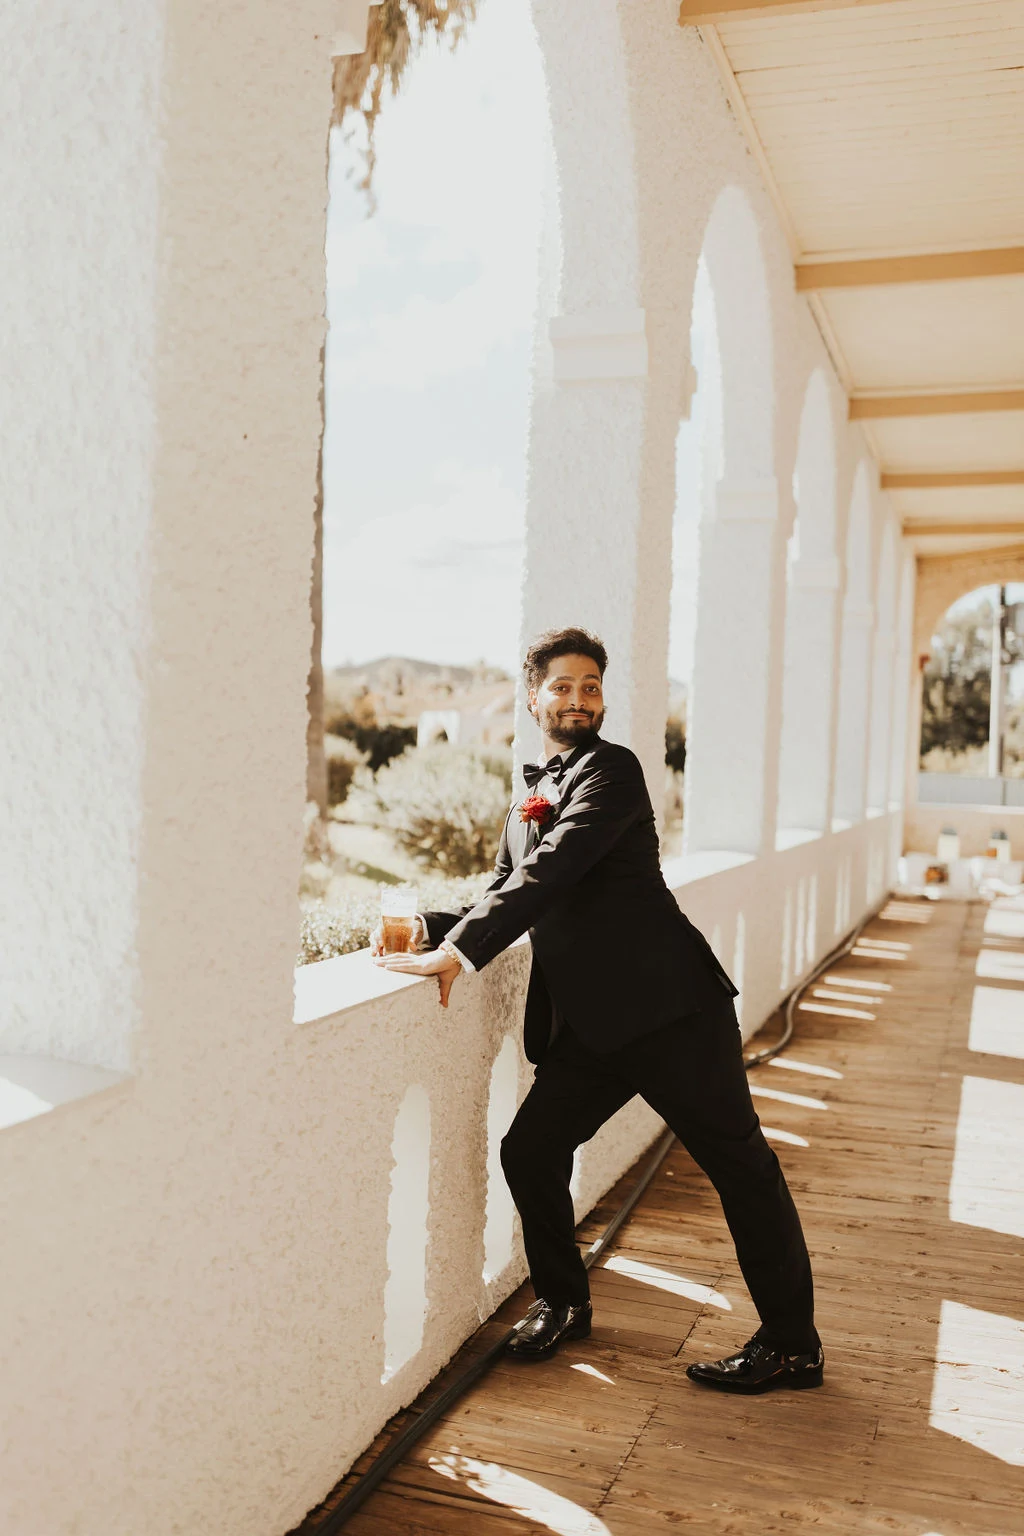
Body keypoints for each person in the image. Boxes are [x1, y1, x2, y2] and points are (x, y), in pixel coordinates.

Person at [373, 626, 823, 1393]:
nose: (578, 699)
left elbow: (556, 867)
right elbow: (506, 888)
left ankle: (792, 1345)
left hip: (674, 1015)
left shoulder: (613, 771)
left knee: (743, 1169)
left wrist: (461, 954)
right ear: (533, 697)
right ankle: (563, 1302)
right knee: (530, 1151)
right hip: (594, 1029)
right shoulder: (526, 796)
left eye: (591, 686)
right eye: (563, 686)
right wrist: (432, 928)